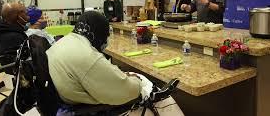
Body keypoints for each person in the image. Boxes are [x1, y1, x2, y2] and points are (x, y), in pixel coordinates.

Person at [47, 11, 183, 115]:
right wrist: (136, 84)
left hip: (70, 95)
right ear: (97, 33)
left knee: (130, 75)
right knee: (155, 93)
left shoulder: (66, 41)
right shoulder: (88, 57)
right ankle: (157, 98)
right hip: (88, 105)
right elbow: (125, 91)